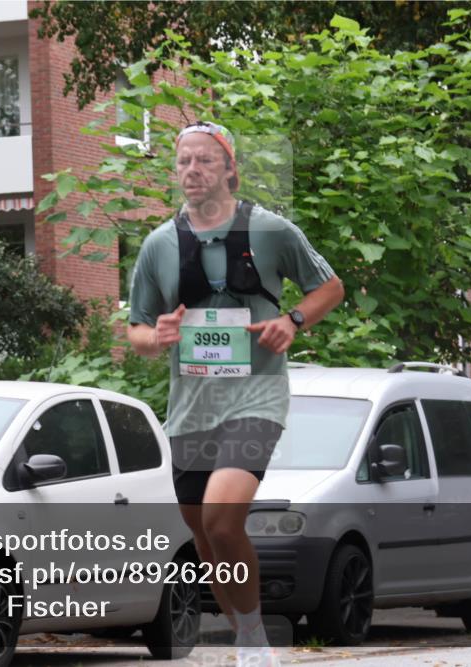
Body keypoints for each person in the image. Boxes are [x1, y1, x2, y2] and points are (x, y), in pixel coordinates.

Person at [127, 121, 344, 666]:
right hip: (191, 410)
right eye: (183, 162)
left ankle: (252, 641)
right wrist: (158, 336)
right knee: (205, 541)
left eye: (204, 160)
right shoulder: (157, 245)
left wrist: (292, 322)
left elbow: (330, 287)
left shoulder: (271, 231)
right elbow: (136, 333)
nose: (192, 171)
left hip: (257, 400)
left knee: (224, 521)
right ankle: (248, 633)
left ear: (229, 168)